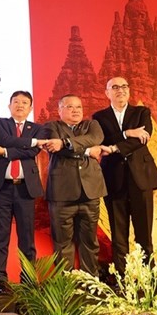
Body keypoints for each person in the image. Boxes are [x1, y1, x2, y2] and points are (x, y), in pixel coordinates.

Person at [93, 77, 157, 275]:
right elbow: (101, 140)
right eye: (115, 87)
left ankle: (148, 277)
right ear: (107, 93)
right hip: (114, 179)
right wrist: (126, 133)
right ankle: (123, 279)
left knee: (144, 233)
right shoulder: (99, 117)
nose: (120, 90)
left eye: (124, 87)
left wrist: (115, 146)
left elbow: (143, 139)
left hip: (141, 179)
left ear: (129, 91)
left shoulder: (142, 112)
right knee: (119, 234)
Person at [0, 91, 46, 294]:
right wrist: (30, 142)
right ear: (9, 106)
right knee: (0, 235)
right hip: (2, 187)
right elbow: (2, 139)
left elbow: (32, 152)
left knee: (27, 237)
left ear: (30, 108)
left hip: (25, 188)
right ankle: (0, 279)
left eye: (24, 102)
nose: (20, 105)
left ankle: (28, 279)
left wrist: (6, 151)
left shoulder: (38, 128)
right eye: (16, 102)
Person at [43, 94, 107, 276]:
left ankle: (90, 281)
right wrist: (88, 150)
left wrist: (65, 143)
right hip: (61, 194)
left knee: (89, 240)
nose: (75, 110)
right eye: (70, 107)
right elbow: (56, 150)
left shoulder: (91, 125)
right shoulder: (51, 127)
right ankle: (66, 284)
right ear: (60, 110)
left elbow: (96, 138)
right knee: (63, 242)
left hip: (90, 192)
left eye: (78, 107)